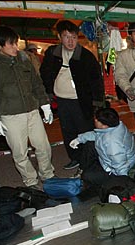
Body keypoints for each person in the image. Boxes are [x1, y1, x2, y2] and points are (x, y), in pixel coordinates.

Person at [40, 20, 104, 172]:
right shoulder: (52, 53)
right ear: (59, 37)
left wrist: (98, 103)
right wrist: (48, 95)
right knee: (68, 131)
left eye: (74, 37)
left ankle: (89, 161)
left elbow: (96, 81)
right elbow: (45, 74)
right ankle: (75, 158)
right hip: (61, 101)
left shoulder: (86, 56)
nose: (70, 41)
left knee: (86, 131)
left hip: (81, 101)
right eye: (66, 37)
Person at [0, 25, 55, 189]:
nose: (16, 47)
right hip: (10, 115)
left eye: (16, 43)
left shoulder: (24, 59)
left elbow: (37, 83)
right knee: (20, 152)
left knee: (43, 146)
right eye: (11, 44)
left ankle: (48, 174)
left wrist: (45, 104)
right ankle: (31, 181)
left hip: (32, 110)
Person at [69, 107, 135, 188]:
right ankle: (82, 168)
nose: (95, 120)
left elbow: (120, 164)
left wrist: (123, 181)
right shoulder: (116, 126)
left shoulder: (112, 143)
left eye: (97, 120)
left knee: (87, 176)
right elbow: (97, 135)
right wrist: (79, 139)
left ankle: (89, 180)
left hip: (117, 169)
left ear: (104, 125)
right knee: (89, 146)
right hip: (115, 158)